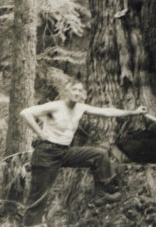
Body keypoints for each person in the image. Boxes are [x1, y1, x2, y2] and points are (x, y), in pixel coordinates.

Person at [19, 80, 147, 226]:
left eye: (80, 91)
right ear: (67, 91)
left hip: (64, 152)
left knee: (99, 154)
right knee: (39, 197)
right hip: (46, 153)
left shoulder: (80, 108)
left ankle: (102, 194)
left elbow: (106, 112)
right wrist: (41, 134)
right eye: (75, 90)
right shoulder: (54, 106)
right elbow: (25, 113)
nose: (78, 93)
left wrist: (133, 112)